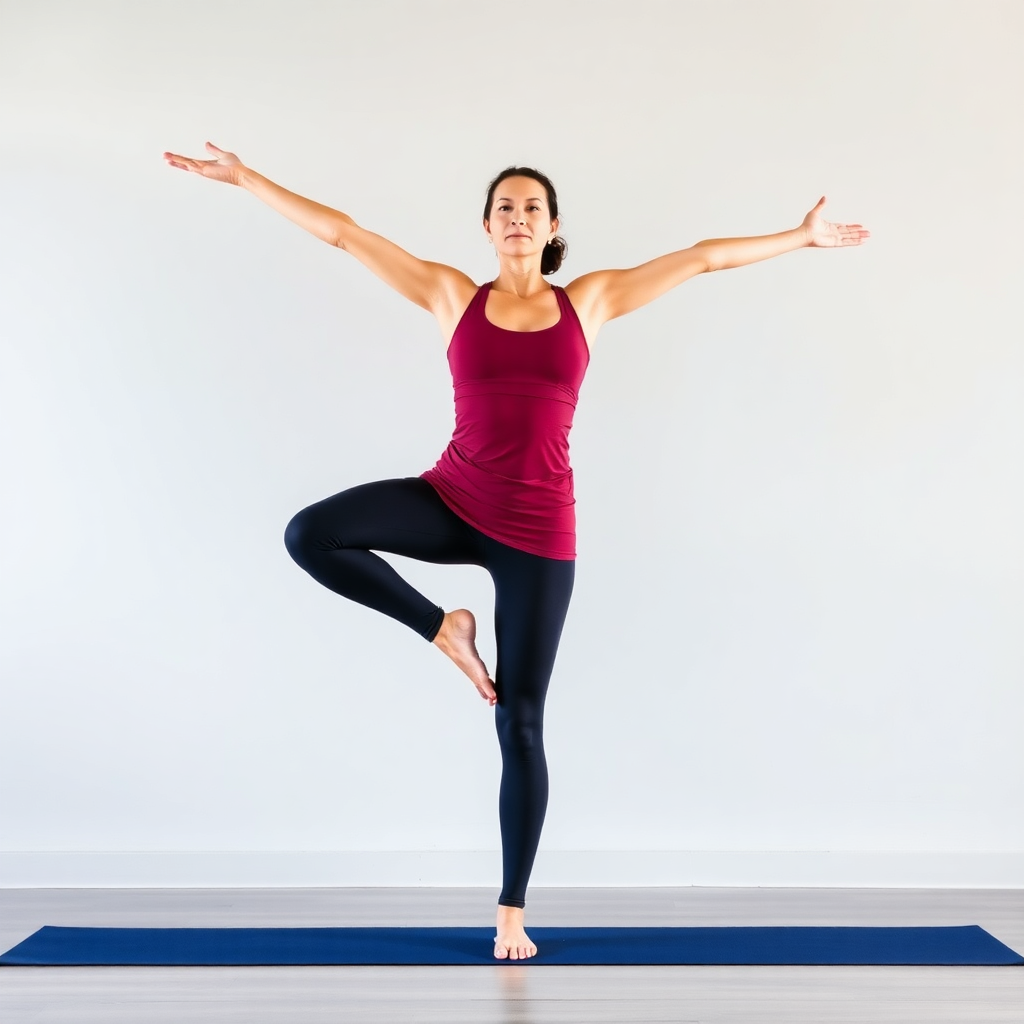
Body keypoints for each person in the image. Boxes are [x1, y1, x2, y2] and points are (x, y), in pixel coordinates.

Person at [163, 141, 869, 959]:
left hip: (538, 532)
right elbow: (346, 235)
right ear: (488, 226)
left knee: (522, 722)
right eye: (505, 207)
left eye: (533, 207)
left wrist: (798, 236)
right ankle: (442, 628)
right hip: (452, 499)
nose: (519, 218)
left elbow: (704, 259)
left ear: (554, 226)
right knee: (309, 533)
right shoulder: (449, 295)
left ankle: (510, 913)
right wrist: (247, 179)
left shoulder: (591, 303)